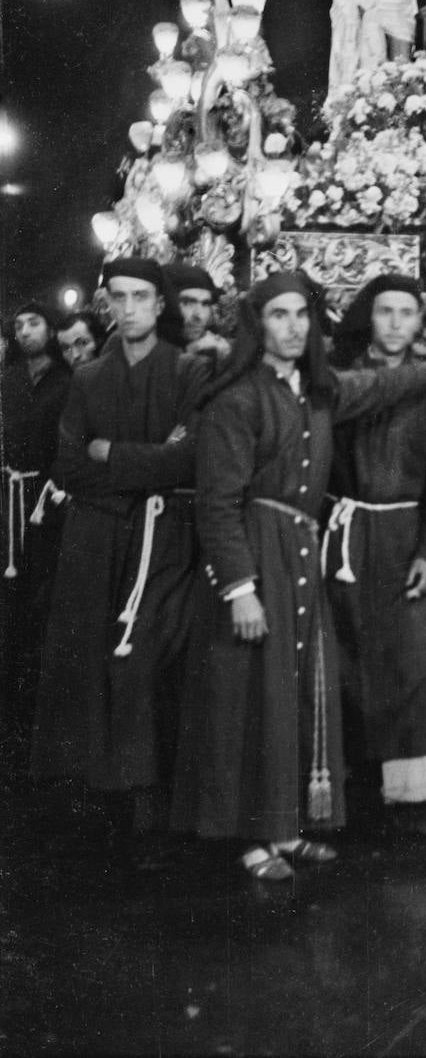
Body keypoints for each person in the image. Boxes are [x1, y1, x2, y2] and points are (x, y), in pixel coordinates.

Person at [170, 272, 426, 882]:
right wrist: (239, 589)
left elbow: (383, 382)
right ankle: (249, 836)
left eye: (301, 315)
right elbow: (218, 503)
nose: (292, 327)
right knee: (249, 693)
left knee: (293, 688)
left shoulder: (316, 391)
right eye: (278, 315)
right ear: (258, 324)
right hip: (257, 554)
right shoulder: (239, 398)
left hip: (301, 553)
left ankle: (285, 827)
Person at [30, 259, 209, 852]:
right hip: (97, 537)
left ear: (161, 305)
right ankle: (98, 794)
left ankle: (147, 802)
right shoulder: (88, 378)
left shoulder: (188, 372)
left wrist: (115, 455)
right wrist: (147, 462)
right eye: (118, 298)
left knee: (148, 661)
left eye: (140, 297)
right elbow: (70, 466)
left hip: (163, 538)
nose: (128, 308)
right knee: (90, 660)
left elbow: (193, 460)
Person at [326, 274, 426, 841]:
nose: (396, 323)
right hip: (343, 535)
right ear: (369, 316)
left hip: (404, 537)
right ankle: (335, 793)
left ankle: (417, 801)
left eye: (408, 312)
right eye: (386, 311)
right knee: (340, 664)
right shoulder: (341, 380)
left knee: (413, 665)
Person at [0, 301, 70, 751]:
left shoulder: (67, 382)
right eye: (19, 326)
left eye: (34, 323)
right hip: (7, 494)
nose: (25, 332)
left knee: (43, 590)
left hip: (47, 499)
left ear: (51, 329)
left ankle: (35, 707)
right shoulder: (6, 380)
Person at [165, 262, 231, 369]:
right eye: (187, 303)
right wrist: (190, 351)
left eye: (205, 304)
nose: (199, 315)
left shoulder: (213, 346)